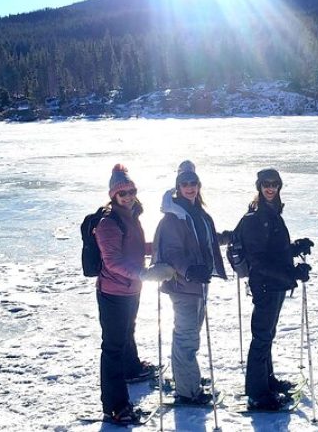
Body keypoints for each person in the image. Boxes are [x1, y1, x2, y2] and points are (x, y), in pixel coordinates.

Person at [94, 164, 174, 425]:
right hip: (113, 292)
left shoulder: (132, 217)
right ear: (113, 195)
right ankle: (115, 407)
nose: (128, 196)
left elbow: (138, 247)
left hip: (131, 289)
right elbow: (113, 261)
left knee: (128, 332)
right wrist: (144, 274)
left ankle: (131, 368)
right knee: (113, 348)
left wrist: (163, 249)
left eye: (131, 191)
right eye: (122, 193)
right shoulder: (108, 223)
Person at [153, 162, 228, 405]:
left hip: (198, 285)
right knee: (186, 338)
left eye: (193, 183)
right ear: (178, 187)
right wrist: (189, 271)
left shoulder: (197, 212)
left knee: (190, 336)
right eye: (185, 184)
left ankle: (187, 379)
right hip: (184, 286)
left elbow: (202, 241)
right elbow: (173, 252)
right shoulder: (175, 216)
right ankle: (187, 392)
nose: (190, 187)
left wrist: (227, 238)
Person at [240, 168, 314, 411]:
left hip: (275, 285)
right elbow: (259, 260)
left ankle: (267, 381)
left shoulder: (271, 213)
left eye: (274, 184)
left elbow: (274, 250)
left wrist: (294, 248)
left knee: (267, 335)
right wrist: (292, 273)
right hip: (265, 286)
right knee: (261, 337)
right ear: (259, 187)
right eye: (265, 184)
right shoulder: (257, 217)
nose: (270, 188)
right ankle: (257, 393)